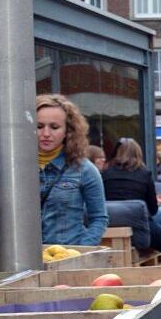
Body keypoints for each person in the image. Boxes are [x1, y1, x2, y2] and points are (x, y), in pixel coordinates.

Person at [101, 138, 161, 265]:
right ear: (138, 154)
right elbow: (153, 210)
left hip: (111, 225)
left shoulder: (105, 173)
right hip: (139, 226)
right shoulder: (144, 173)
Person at [37, 94, 108, 245]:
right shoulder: (15, 169)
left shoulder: (84, 169)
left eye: (54, 127)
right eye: (39, 126)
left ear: (68, 131)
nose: (46, 134)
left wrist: (81, 252)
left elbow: (99, 218)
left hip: (68, 258)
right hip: (24, 260)